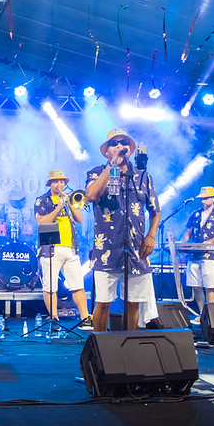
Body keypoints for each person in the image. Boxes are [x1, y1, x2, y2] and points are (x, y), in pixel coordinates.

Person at [85, 129, 160, 332]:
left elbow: (155, 210)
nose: (120, 145)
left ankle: (128, 347)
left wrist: (151, 236)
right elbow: (91, 195)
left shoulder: (143, 176)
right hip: (107, 248)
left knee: (133, 302)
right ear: (107, 151)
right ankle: (99, 345)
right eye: (114, 143)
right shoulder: (97, 172)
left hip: (136, 248)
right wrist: (112, 166)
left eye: (123, 142)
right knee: (102, 302)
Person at [34, 170, 91, 330]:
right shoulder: (42, 200)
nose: (59, 185)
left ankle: (85, 318)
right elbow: (42, 222)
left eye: (62, 182)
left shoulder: (69, 200)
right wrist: (58, 207)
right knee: (50, 287)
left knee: (78, 285)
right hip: (51, 249)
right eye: (56, 182)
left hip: (71, 249)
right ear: (50, 183)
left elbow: (79, 219)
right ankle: (54, 319)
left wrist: (68, 204)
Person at [182, 186, 214, 316]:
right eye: (202, 198)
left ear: (213, 198)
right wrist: (182, 244)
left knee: (209, 286)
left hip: (210, 256)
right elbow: (188, 233)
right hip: (194, 255)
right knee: (195, 286)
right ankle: (202, 314)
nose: (203, 201)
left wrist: (208, 243)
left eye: (205, 198)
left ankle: (210, 316)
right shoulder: (195, 214)